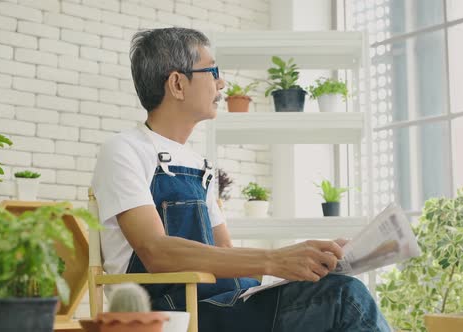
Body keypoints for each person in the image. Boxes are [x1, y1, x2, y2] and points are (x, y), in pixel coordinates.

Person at [92, 27, 390, 332]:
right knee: (344, 298)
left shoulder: (198, 165)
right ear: (177, 84)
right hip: (171, 315)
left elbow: (225, 254)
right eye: (212, 71)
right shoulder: (123, 150)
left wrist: (306, 258)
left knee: (338, 285)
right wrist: (274, 260)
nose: (221, 83)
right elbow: (157, 251)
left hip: (224, 302)